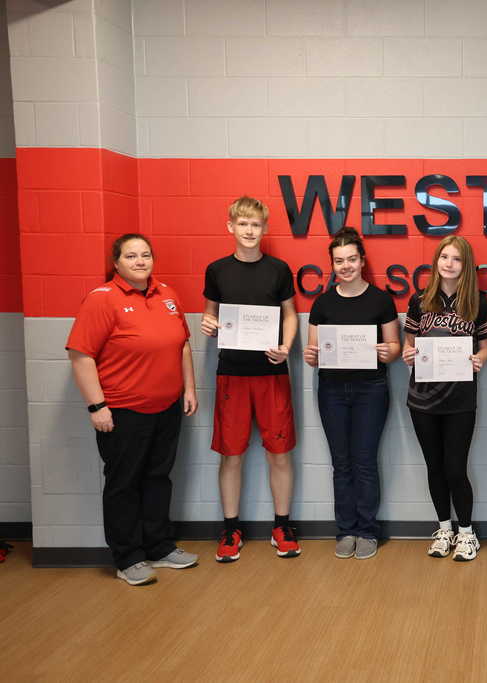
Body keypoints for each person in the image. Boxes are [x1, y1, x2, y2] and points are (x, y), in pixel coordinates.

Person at [66, 234, 198, 586]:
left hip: (167, 407)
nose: (140, 261)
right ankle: (128, 558)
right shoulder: (102, 300)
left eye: (145, 255)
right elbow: (80, 356)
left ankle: (158, 546)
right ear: (117, 263)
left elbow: (182, 345)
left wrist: (189, 387)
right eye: (131, 256)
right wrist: (97, 406)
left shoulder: (167, 295)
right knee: (124, 484)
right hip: (123, 411)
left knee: (158, 478)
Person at [200, 196, 301, 562]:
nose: (248, 230)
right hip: (232, 374)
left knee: (279, 453)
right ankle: (231, 530)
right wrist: (208, 325)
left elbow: (290, 315)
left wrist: (285, 346)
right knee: (231, 455)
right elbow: (209, 317)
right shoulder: (216, 270)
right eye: (242, 224)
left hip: (272, 373)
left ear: (264, 229)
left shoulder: (277, 269)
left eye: (255, 225)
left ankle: (282, 525)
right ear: (230, 226)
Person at [304, 228, 400, 560]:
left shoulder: (380, 300)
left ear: (362, 261)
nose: (345, 266)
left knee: (364, 462)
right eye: (339, 261)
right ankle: (346, 529)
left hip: (370, 390)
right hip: (331, 390)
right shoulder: (323, 303)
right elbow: (312, 349)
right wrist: (310, 355)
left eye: (351, 259)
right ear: (332, 265)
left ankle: (367, 530)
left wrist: (389, 352)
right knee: (341, 463)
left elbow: (395, 347)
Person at [401, 236, 487, 562]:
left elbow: (486, 346)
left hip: (460, 399)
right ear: (436, 261)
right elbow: (408, 343)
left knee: (456, 468)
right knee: (435, 467)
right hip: (423, 398)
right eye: (444, 257)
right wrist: (407, 354)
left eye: (456, 258)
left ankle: (467, 533)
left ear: (465, 264)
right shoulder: (420, 300)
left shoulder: (477, 302)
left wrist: (480, 358)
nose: (449, 263)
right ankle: (444, 528)